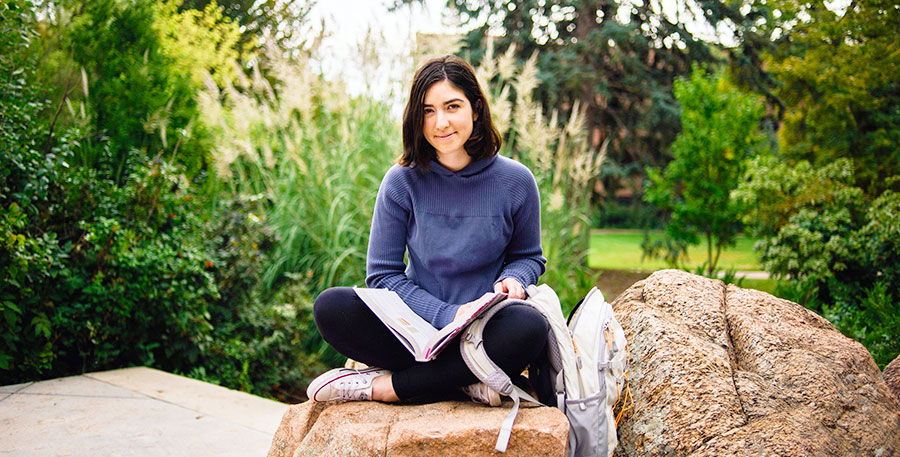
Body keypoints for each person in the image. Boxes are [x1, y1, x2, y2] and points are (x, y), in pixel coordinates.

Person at [306, 55, 549, 406]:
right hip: (413, 328)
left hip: (485, 328)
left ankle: (390, 388)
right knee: (332, 307)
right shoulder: (401, 181)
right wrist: (447, 315)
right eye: (428, 111)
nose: (441, 122)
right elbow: (383, 275)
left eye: (452, 106)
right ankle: (468, 378)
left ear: (476, 108)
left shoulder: (516, 180)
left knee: (529, 327)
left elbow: (528, 258)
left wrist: (514, 280)